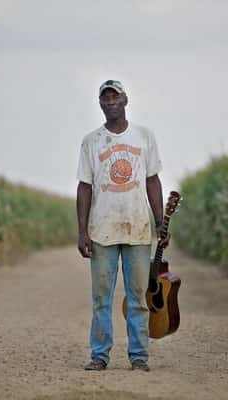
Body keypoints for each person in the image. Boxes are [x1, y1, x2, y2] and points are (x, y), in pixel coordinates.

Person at [76, 79, 169, 372]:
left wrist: (159, 221)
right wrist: (82, 231)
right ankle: (99, 355)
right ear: (100, 104)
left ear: (125, 101)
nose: (111, 103)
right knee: (101, 298)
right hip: (102, 230)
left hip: (138, 228)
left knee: (139, 297)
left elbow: (152, 180)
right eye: (105, 99)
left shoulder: (144, 137)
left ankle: (139, 356)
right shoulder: (91, 141)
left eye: (115, 98)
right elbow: (84, 186)